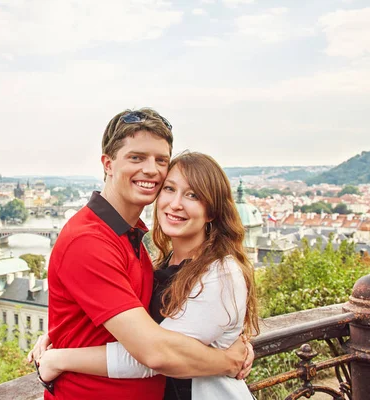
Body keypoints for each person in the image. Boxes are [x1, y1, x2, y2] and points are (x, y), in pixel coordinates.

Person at [30, 109, 253, 399]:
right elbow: (155, 350)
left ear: (212, 209)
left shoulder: (132, 237)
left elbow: (147, 328)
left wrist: (62, 345)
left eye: (161, 160)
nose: (151, 170)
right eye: (136, 157)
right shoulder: (89, 240)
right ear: (108, 164)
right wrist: (227, 361)